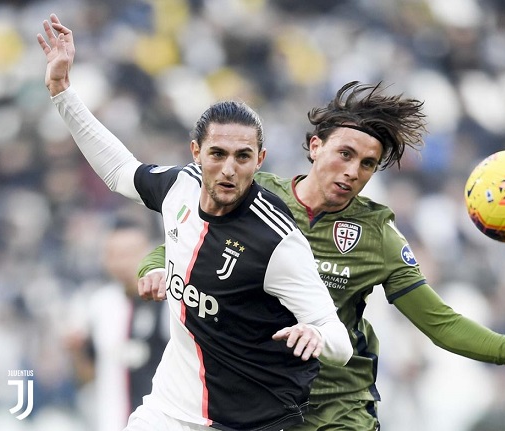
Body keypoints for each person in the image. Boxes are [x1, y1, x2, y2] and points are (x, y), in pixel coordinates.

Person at [138, 85, 505, 428]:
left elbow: (439, 321)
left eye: (368, 164)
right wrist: (154, 267)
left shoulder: (378, 236)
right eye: (345, 154)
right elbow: (185, 241)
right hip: (261, 406)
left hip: (338, 410)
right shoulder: (258, 197)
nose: (353, 172)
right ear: (315, 147)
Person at [37, 14, 353, 431]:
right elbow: (118, 170)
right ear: (196, 153)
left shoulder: (276, 241)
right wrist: (62, 92)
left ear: (259, 160)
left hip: (252, 421)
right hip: (169, 409)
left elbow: (339, 341)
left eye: (242, 157)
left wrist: (318, 337)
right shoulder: (178, 189)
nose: (228, 168)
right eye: (217, 154)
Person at [66, 220, 169, 431]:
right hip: (111, 423)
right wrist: (75, 350)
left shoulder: (169, 301)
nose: (123, 262)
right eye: (114, 254)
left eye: (130, 252)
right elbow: (88, 376)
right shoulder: (99, 304)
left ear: (150, 253)